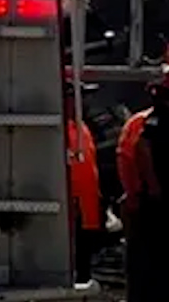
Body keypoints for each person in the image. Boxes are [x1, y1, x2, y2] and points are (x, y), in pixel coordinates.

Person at [122, 67, 169, 302]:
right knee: (156, 275)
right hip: (159, 211)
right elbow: (141, 149)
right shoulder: (159, 121)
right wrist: (154, 187)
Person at [65, 82, 104, 289]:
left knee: (83, 271)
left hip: (85, 211)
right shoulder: (58, 130)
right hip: (69, 214)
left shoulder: (80, 127)